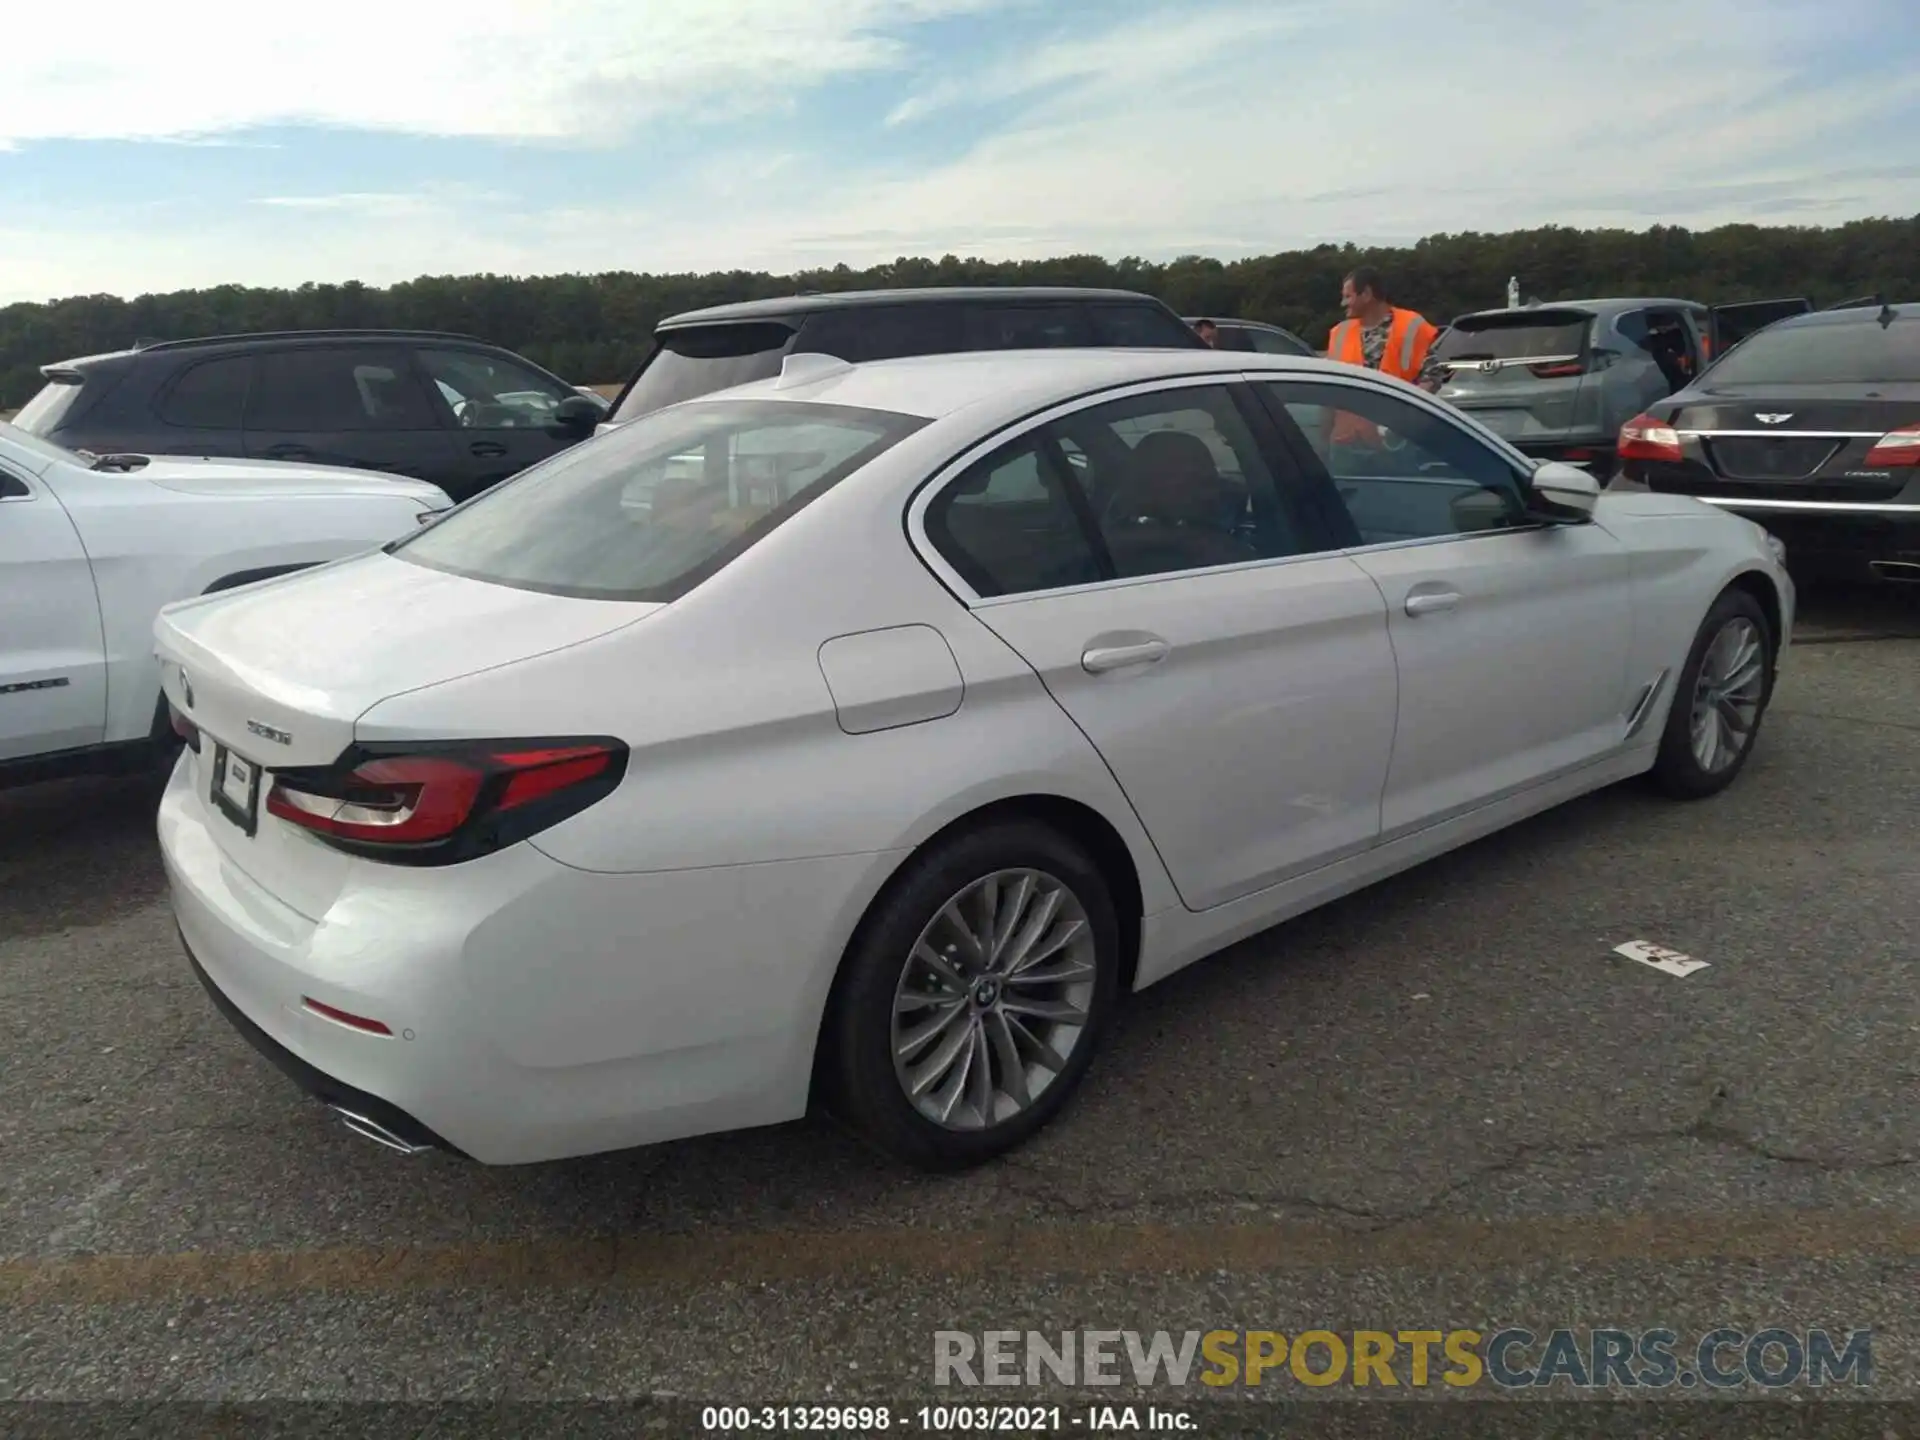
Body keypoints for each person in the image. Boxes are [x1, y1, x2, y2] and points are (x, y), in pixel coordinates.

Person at [1326, 267, 1445, 393]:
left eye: (1348, 296)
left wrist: (1406, 406)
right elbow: (1329, 384)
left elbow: (1432, 377)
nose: (1343, 303)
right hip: (1349, 411)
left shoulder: (1411, 325)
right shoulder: (1340, 333)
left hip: (1398, 411)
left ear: (1366, 294)